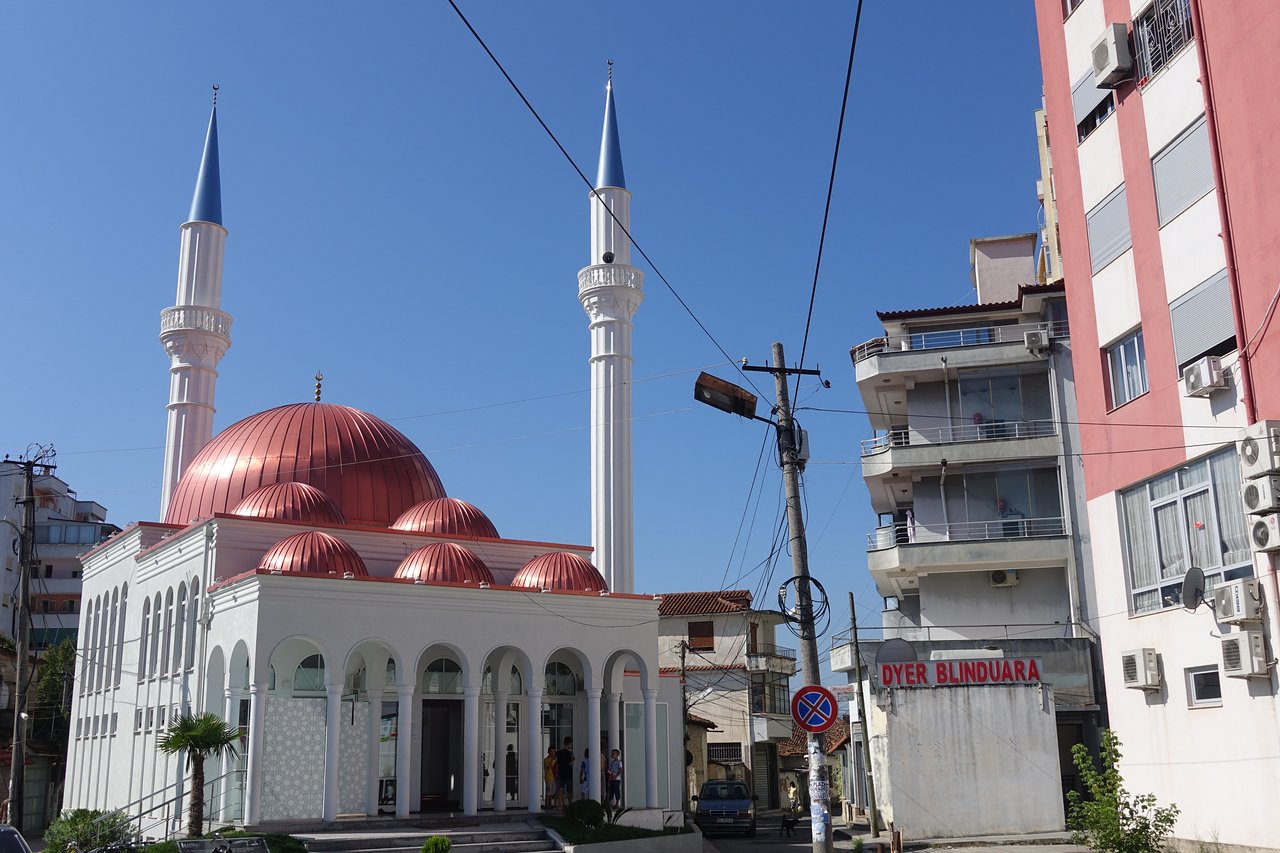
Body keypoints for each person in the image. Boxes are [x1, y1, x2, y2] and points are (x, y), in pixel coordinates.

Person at [556, 736, 575, 808]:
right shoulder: (568, 753)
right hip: (568, 773)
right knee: (569, 790)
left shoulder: (560, 753)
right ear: (569, 744)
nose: (571, 745)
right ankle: (570, 804)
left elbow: (558, 763)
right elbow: (569, 763)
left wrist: (557, 773)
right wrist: (573, 759)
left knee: (561, 789)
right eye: (571, 744)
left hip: (561, 773)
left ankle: (559, 805)